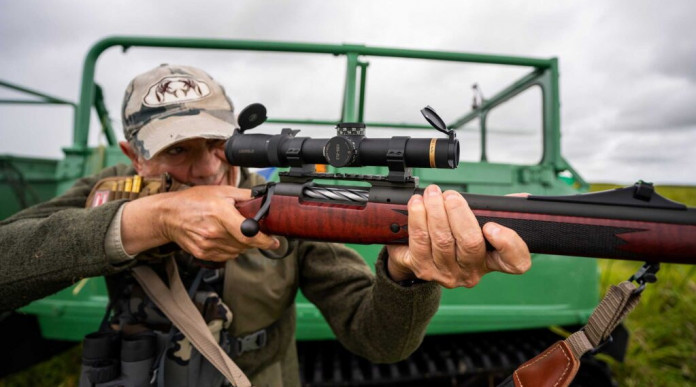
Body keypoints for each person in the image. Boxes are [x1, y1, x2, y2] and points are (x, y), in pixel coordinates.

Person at [0, 64, 531, 386]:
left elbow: (379, 341)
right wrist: (149, 218)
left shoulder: (287, 201)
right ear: (133, 156)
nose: (207, 168)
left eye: (217, 144)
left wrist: (404, 277)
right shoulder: (115, 190)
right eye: (177, 150)